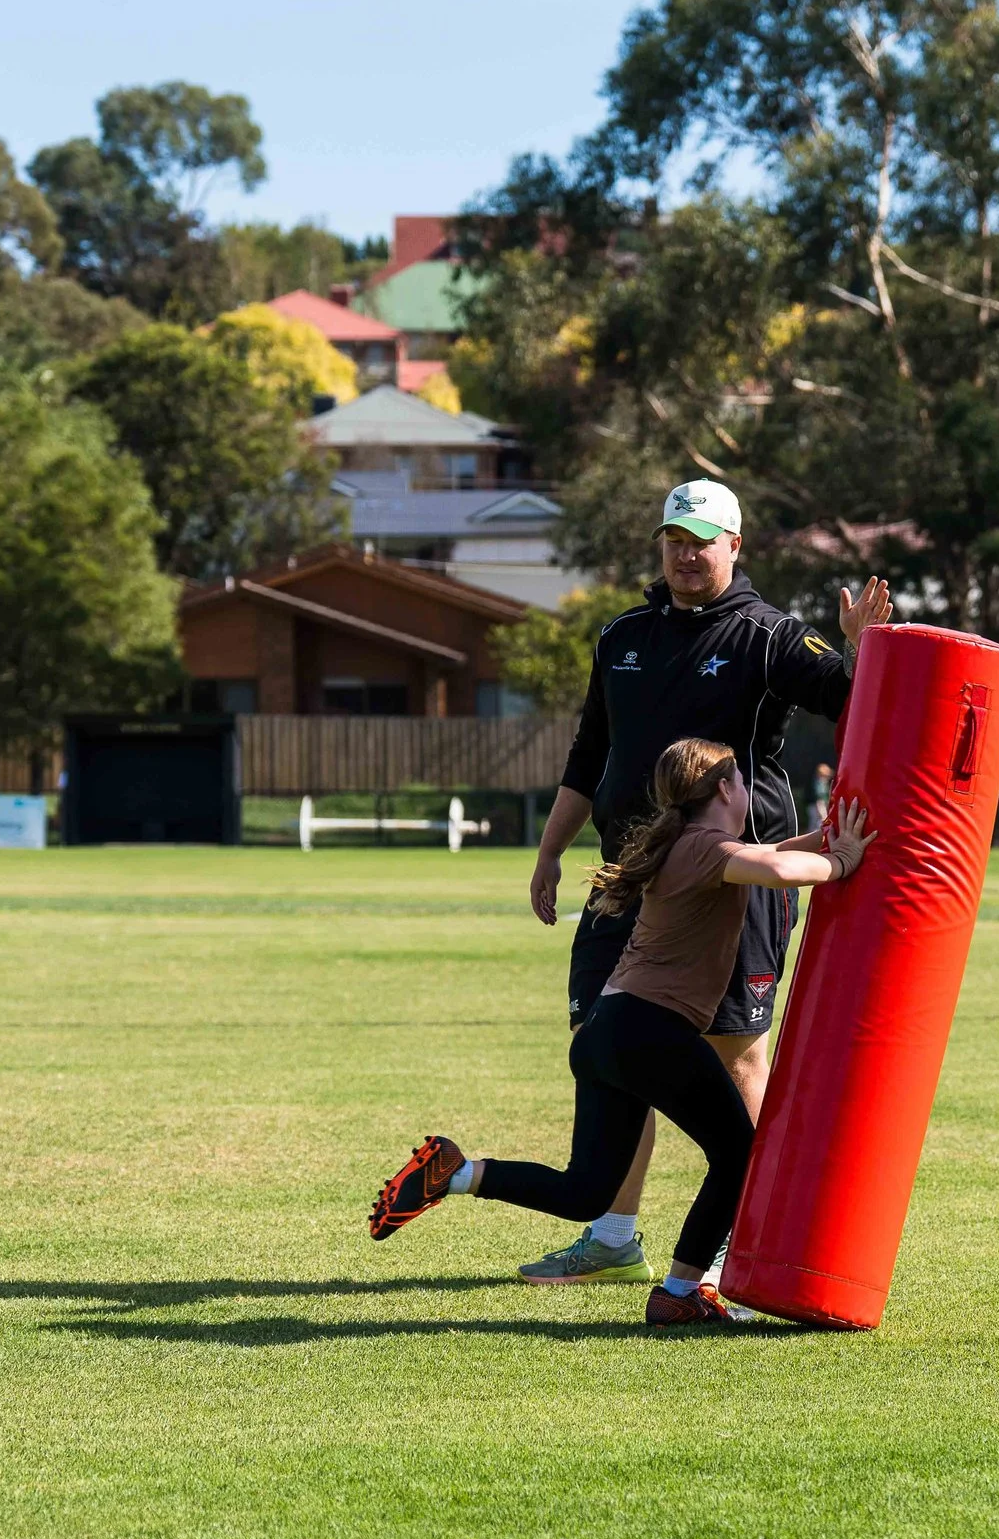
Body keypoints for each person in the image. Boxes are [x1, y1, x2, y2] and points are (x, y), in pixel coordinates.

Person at [515, 477, 889, 1286]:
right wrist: (550, 852)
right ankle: (612, 1235)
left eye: (702, 542)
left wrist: (860, 650)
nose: (686, 555)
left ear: (734, 547)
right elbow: (590, 754)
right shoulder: (622, 635)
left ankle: (736, 1244)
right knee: (607, 1047)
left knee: (735, 1053)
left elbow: (845, 696)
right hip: (627, 878)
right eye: (675, 541)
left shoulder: (768, 634)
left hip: (734, 882)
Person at [367, 740, 874, 1326]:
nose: (747, 792)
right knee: (740, 1153)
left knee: (586, 1190)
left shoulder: (686, 844)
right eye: (741, 781)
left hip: (607, 1031)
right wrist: (843, 861)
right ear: (724, 790)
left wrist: (827, 839)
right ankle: (680, 1291)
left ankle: (454, 1173)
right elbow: (781, 870)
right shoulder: (705, 847)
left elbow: (775, 854)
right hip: (648, 1031)